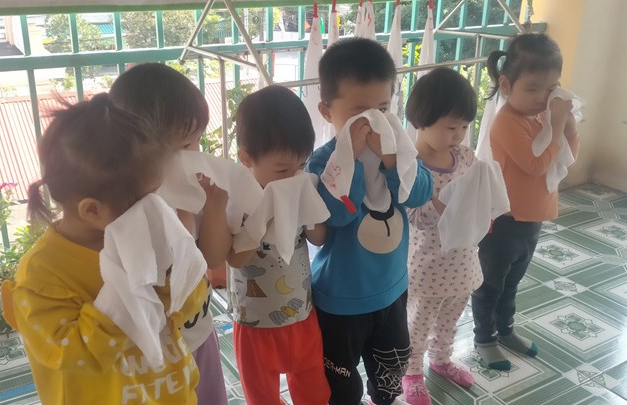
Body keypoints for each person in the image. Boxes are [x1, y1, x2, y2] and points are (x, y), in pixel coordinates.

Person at [0, 94, 207, 404]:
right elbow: (70, 353)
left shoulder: (148, 235)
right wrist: (129, 292)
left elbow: (187, 305)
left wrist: (171, 283)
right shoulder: (41, 274)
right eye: (145, 199)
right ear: (93, 210)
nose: (156, 207)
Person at [306, 37, 434, 405]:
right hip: (340, 298)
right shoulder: (323, 162)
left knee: (390, 369)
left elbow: (419, 193)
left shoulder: (398, 149)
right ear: (327, 111)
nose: (374, 121)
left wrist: (391, 160)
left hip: (391, 288)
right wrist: (353, 161)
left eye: (382, 108)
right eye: (360, 111)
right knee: (341, 383)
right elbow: (337, 216)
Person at [109, 63, 230, 405]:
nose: (195, 154)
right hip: (152, 359)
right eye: (184, 145)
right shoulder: (123, 209)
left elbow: (212, 258)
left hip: (199, 335)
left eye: (197, 140)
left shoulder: (191, 193)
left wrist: (214, 208)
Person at [473, 33, 578, 371]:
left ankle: (505, 331)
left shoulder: (540, 117)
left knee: (512, 283)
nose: (543, 98)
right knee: (490, 285)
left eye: (551, 88)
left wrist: (569, 127)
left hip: (532, 219)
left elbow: (568, 154)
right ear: (506, 84)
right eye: (532, 88)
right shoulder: (507, 121)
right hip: (504, 220)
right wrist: (557, 124)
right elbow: (535, 165)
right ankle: (484, 339)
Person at [227, 85, 330, 405]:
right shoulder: (238, 200)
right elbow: (235, 259)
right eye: (283, 169)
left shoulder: (300, 185)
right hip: (254, 320)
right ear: (247, 159)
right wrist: (265, 217)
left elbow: (318, 239)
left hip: (300, 311)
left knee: (313, 389)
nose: (293, 174)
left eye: (301, 165)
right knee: (262, 395)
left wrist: (307, 204)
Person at [400, 67, 482, 404]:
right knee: (418, 322)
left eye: (464, 127)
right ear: (421, 120)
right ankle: (411, 372)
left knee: (451, 316)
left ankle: (442, 358)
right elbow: (415, 216)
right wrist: (449, 206)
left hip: (463, 260)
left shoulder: (465, 157)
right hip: (427, 265)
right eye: (451, 127)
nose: (459, 135)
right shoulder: (411, 165)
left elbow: (480, 192)